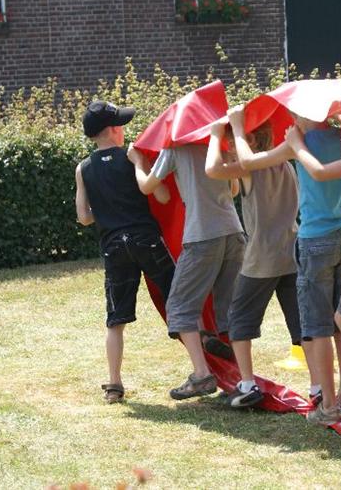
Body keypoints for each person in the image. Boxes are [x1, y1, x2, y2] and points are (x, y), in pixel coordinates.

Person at [235, 112, 341, 425]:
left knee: (317, 327)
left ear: (303, 113)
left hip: (315, 240)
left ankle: (328, 405)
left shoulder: (297, 142)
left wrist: (236, 127)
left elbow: (248, 162)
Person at [204, 107, 315, 408]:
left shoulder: (250, 168)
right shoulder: (286, 164)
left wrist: (215, 135)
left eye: (232, 142)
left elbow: (212, 169)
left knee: (240, 322)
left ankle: (247, 384)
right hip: (291, 252)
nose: (229, 148)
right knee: (302, 325)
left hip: (261, 259)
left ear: (249, 140)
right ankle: (317, 386)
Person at [127, 130, 245, 400]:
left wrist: (137, 161)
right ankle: (241, 378)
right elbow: (234, 189)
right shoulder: (216, 145)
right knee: (227, 308)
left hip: (202, 235)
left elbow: (147, 187)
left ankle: (202, 375)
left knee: (179, 307)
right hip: (234, 232)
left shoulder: (174, 150)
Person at [75, 100, 175, 404]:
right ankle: (205, 364)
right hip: (146, 239)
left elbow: (84, 217)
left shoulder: (83, 168)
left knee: (115, 320)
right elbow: (161, 194)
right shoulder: (133, 158)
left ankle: (115, 384)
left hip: (114, 247)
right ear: (113, 130)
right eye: (120, 125)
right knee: (178, 299)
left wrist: (107, 210)